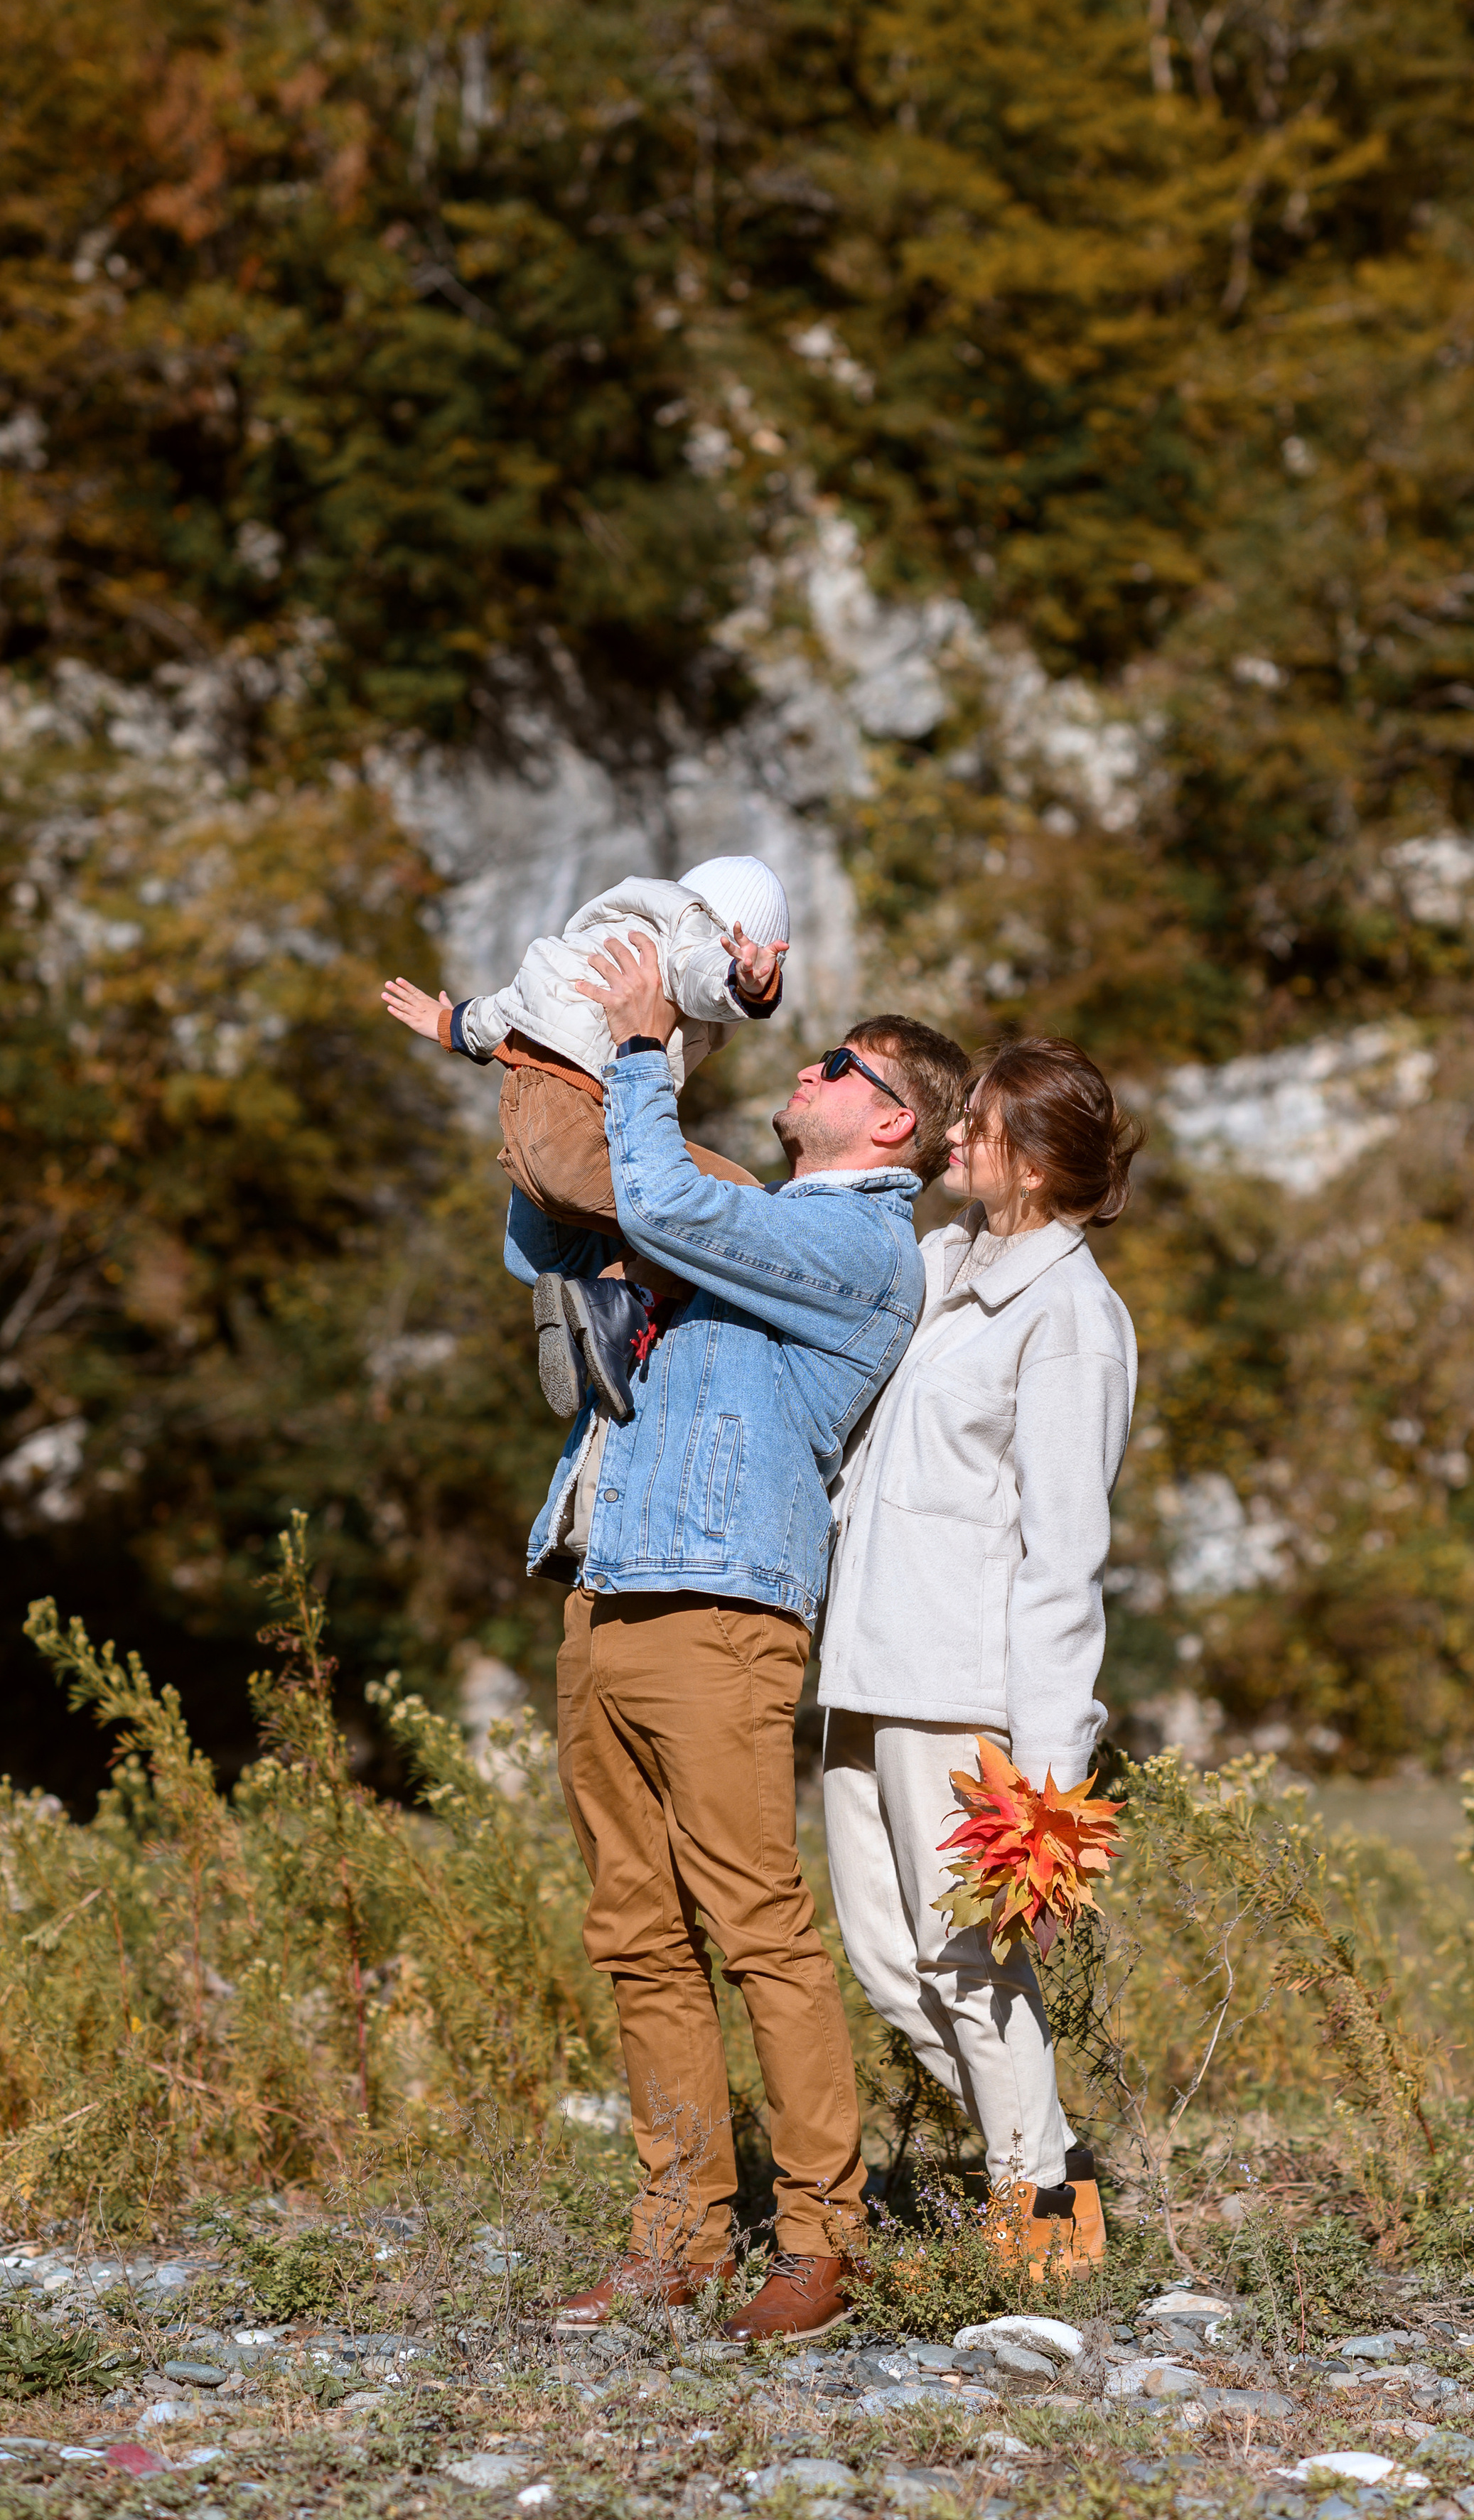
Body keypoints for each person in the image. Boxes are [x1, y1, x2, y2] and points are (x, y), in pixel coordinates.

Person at [516, 925, 972, 2345]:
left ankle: (818, 2240)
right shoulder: (753, 1221)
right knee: (637, 1935)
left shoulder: (849, 1245)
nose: (807, 1066)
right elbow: (562, 1216)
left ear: (888, 1118)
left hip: (720, 1616)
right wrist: (542, 1041)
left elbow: (654, 1199)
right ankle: (675, 2230)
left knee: (757, 1932)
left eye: (834, 1063)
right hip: (606, 1588)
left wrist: (653, 1044)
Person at [817, 1036, 1141, 2273]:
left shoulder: (1074, 1317)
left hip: (961, 1690)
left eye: (984, 1127)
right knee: (892, 1968)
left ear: (1042, 1164)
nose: (955, 1137)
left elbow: (1064, 1558)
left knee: (970, 1970)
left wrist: (1053, 1776)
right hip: (863, 1671)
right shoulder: (940, 1263)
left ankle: (1045, 2228)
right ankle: (1057, 2172)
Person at [380, 856, 791, 1417]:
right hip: (578, 1126)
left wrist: (450, 1026)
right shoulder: (685, 937)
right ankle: (617, 1303)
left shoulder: (601, 935)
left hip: (526, 1124)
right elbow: (698, 974)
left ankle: (585, 1335)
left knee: (592, 1235)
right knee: (733, 1204)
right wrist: (744, 982)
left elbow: (507, 1007)